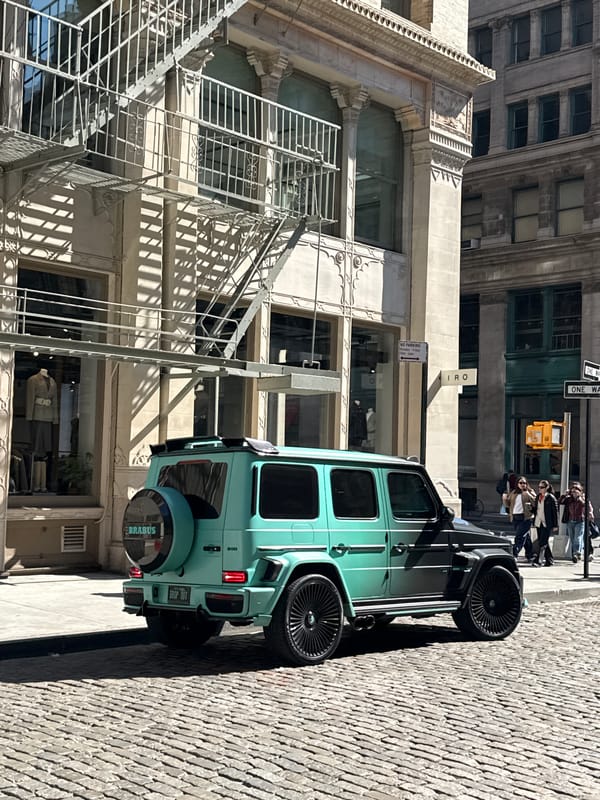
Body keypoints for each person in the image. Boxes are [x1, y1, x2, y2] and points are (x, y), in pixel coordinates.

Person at [26, 366, 58, 492]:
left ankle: (42, 484)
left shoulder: (53, 381)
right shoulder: (33, 380)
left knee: (45, 447)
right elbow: (30, 398)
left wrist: (55, 418)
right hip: (37, 415)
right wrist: (29, 416)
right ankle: (35, 483)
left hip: (48, 416)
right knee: (37, 446)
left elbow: (55, 401)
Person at [559, 482, 594, 563]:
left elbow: (587, 506)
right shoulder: (568, 499)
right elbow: (560, 502)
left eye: (576, 491)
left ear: (580, 491)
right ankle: (576, 554)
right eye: (573, 491)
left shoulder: (582, 499)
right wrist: (564, 495)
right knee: (572, 538)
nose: (574, 492)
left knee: (577, 538)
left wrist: (581, 499)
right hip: (570, 521)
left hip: (580, 521)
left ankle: (576, 553)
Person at [530, 480, 558, 567]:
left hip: (547, 523)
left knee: (542, 543)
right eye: (539, 487)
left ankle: (539, 561)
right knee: (544, 542)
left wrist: (555, 525)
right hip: (538, 522)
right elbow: (536, 509)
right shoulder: (538, 497)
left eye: (542, 487)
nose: (540, 489)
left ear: (547, 488)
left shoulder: (551, 498)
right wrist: (531, 509)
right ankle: (550, 560)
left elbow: (555, 512)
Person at [507, 476, 535, 561]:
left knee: (520, 536)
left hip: (526, 517)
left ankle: (515, 553)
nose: (523, 485)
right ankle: (530, 554)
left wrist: (528, 495)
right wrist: (504, 499)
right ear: (517, 484)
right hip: (515, 517)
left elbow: (535, 503)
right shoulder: (514, 493)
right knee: (526, 537)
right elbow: (508, 504)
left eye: (524, 483)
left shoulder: (530, 492)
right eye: (521, 483)